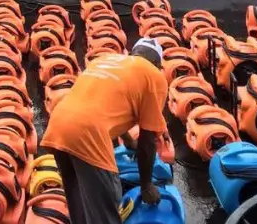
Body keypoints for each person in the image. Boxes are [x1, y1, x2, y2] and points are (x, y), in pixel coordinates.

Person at [40, 37, 169, 224]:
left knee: (80, 203)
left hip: (58, 125)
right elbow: (148, 140)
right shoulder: (153, 75)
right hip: (87, 132)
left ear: (133, 53)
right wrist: (146, 185)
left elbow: (106, 104)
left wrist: (128, 141)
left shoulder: (106, 61)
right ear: (157, 63)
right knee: (106, 205)